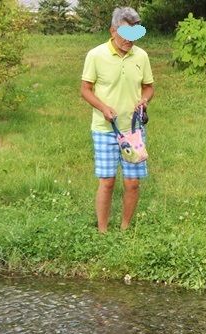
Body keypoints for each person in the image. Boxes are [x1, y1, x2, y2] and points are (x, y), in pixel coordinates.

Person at [80, 7, 154, 232]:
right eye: (125, 34)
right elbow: (85, 89)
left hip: (134, 130)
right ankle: (102, 231)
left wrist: (144, 100)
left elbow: (149, 87)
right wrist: (103, 107)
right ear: (112, 31)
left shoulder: (141, 56)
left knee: (132, 183)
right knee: (107, 181)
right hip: (105, 129)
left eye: (134, 35)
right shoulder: (96, 55)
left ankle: (124, 228)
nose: (129, 40)